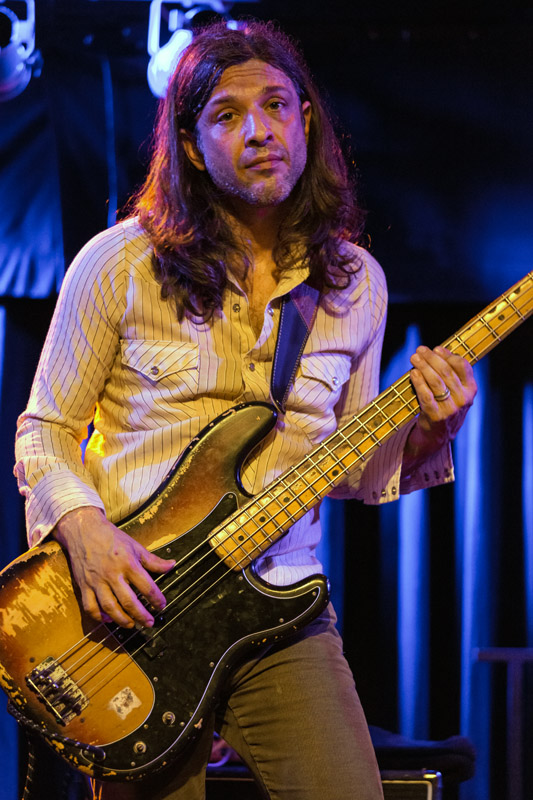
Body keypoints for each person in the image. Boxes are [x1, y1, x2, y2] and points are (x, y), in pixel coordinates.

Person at [14, 19, 477, 800]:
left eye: (275, 105)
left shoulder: (355, 282)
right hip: (139, 613)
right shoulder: (118, 263)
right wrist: (84, 530)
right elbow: (46, 430)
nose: (259, 130)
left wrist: (432, 429)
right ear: (192, 147)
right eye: (227, 115)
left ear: (305, 120)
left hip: (280, 609)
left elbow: (351, 468)